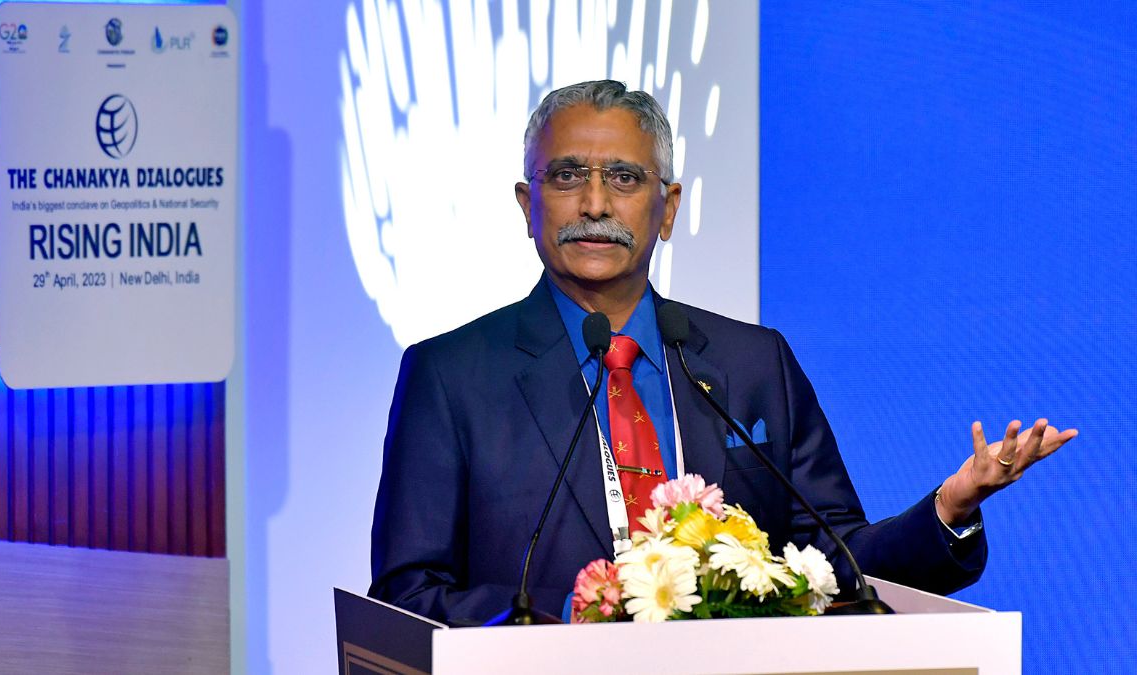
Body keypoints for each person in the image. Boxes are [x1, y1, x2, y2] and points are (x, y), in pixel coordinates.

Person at [368, 79, 1077, 625]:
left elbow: (834, 561)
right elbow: (408, 595)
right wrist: (576, 617)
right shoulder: (451, 375)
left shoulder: (754, 363)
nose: (594, 204)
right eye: (567, 176)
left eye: (624, 178)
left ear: (669, 208)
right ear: (528, 205)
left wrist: (952, 506)